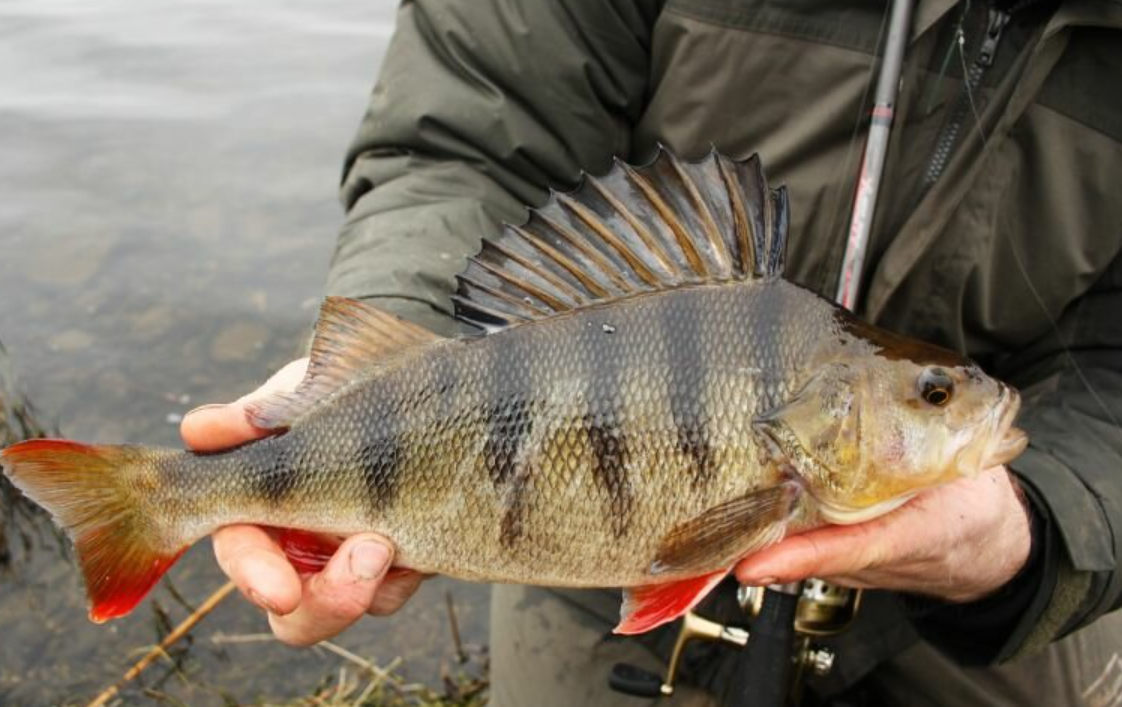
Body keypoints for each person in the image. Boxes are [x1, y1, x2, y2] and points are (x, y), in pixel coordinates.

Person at [181, 0, 1122, 704]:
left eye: (933, 394)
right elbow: (468, 129)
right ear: (827, 410)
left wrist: (1044, 533)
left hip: (995, 628)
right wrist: (399, 322)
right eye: (931, 393)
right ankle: (160, 502)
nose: (963, 400)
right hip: (578, 582)